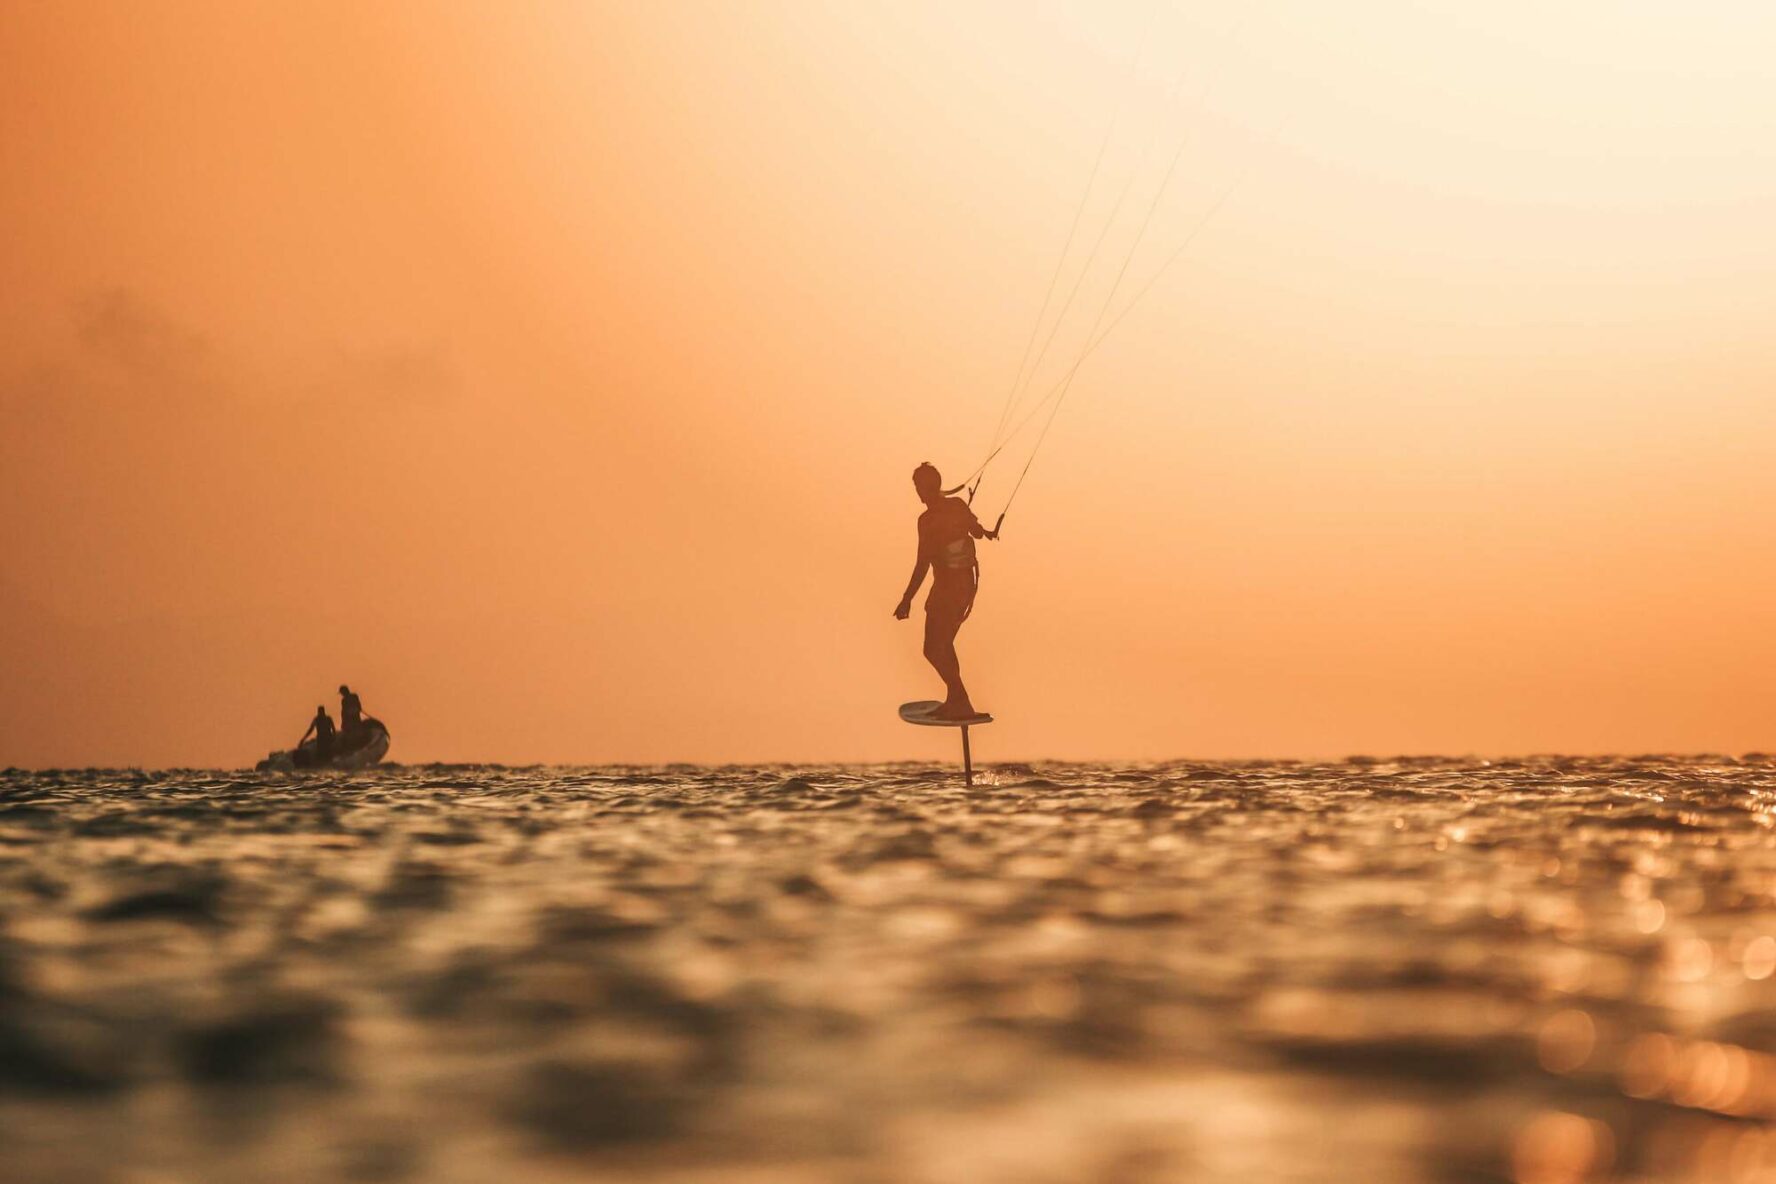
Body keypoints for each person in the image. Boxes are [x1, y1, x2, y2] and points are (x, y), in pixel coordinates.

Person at [893, 461, 997, 720]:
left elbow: (922, 563)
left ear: (928, 487)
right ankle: (957, 700)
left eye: (918, 486)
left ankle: (959, 699)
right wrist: (981, 528)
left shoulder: (927, 521)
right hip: (965, 587)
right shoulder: (957, 506)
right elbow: (976, 531)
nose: (917, 491)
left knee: (932, 648)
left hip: (947, 589)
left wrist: (907, 600)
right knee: (943, 645)